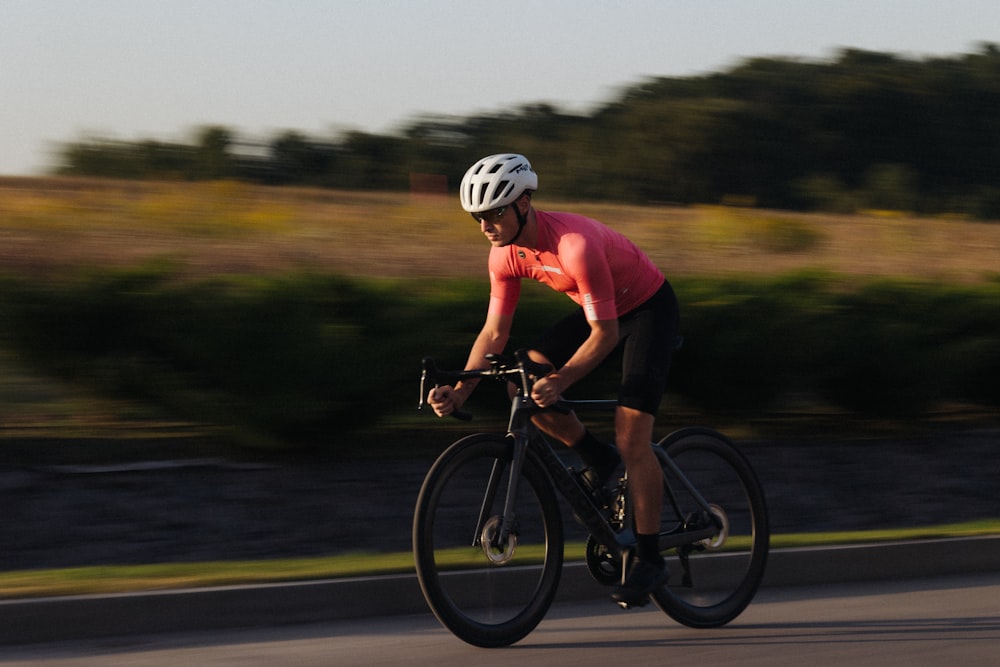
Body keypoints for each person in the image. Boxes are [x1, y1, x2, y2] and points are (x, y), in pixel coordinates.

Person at [427, 153, 680, 608]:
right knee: (519, 385)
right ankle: (596, 458)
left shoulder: (574, 245)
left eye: (495, 212)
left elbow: (603, 336)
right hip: (600, 309)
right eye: (477, 217)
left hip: (647, 311)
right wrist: (462, 387)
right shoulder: (504, 254)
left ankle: (649, 558)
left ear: (525, 203)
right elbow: (494, 333)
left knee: (633, 436)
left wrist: (561, 381)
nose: (485, 224)